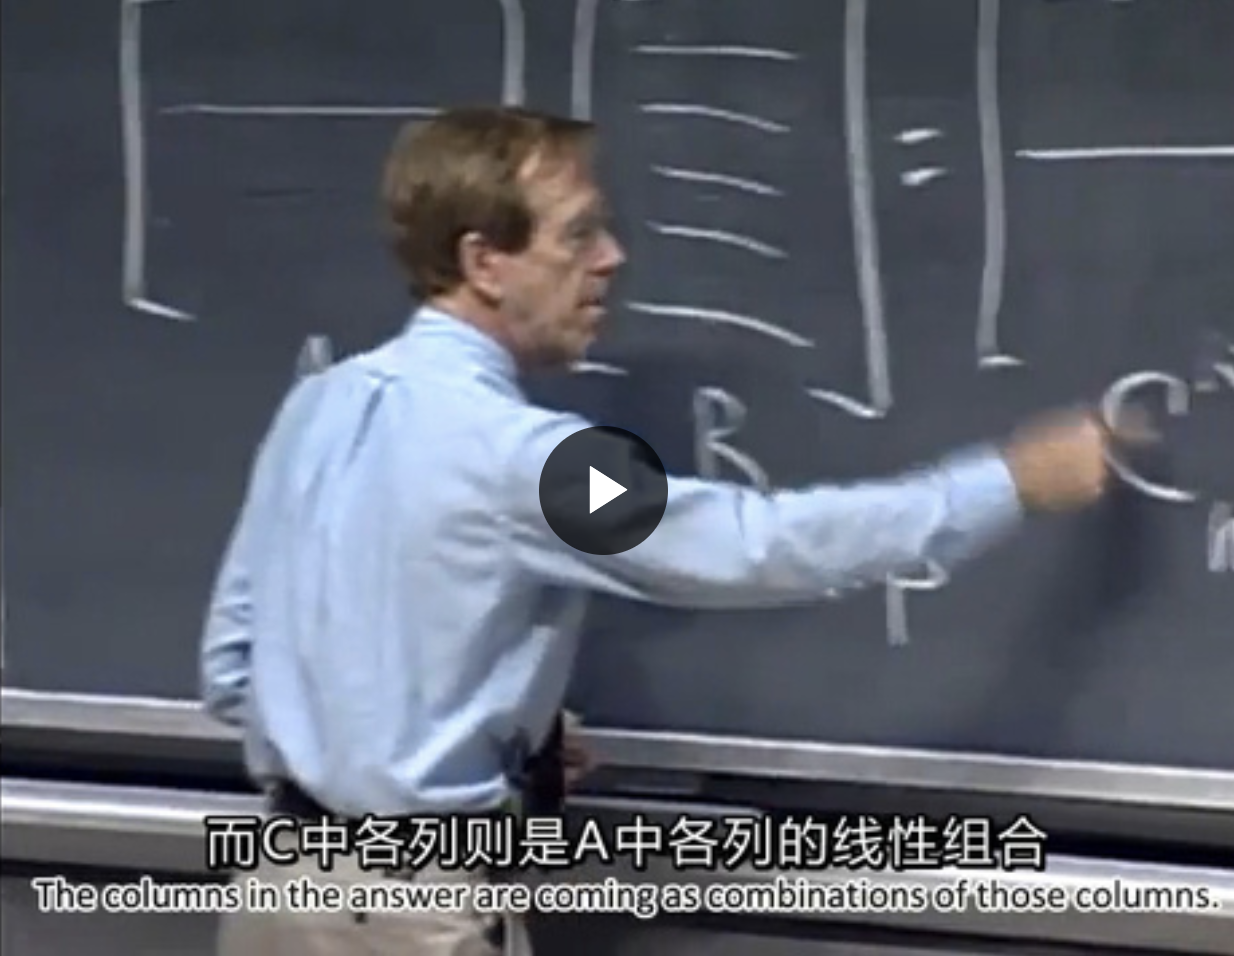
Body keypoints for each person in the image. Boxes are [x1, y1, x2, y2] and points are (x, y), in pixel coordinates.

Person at [202, 106, 1112, 956]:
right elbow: (752, 545)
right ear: (485, 262)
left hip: (275, 896)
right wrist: (1007, 483)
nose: (612, 258)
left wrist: (448, 739)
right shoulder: (532, 460)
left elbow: (234, 665)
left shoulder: (320, 406)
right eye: (577, 235)